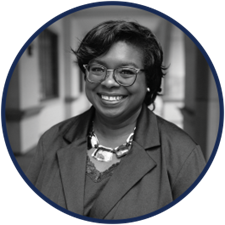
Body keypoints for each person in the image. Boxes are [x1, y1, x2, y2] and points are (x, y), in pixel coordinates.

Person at [26, 20, 206, 220]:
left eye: (126, 72)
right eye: (97, 69)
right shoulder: (51, 140)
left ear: (149, 81)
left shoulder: (182, 154)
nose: (109, 82)